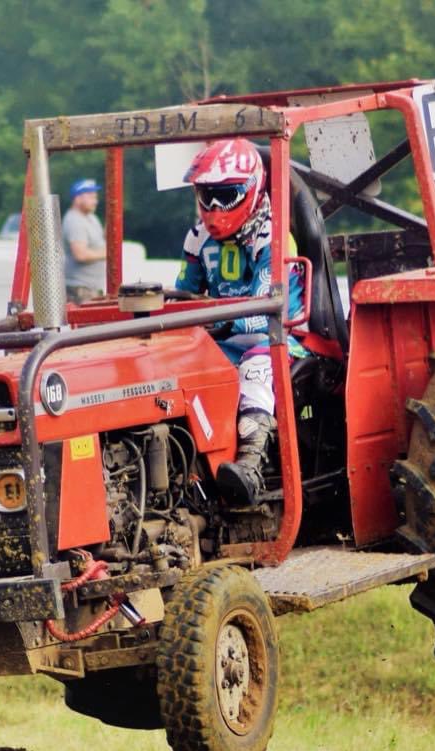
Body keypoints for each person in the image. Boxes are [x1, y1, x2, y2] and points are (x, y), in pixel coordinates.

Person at [175, 137, 306, 505]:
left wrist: (215, 321)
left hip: (280, 337)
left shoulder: (274, 238)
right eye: (206, 195)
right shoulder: (198, 237)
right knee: (184, 370)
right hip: (221, 339)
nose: (214, 208)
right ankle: (190, 469)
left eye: (226, 195)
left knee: (257, 365)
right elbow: (183, 295)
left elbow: (267, 307)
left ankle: (250, 463)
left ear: (251, 189)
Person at [62, 178, 107, 304]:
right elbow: (80, 255)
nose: (96, 201)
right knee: (89, 323)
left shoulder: (92, 218)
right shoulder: (74, 221)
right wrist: (108, 254)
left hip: (92, 288)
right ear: (78, 198)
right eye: (91, 197)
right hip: (80, 290)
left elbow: (99, 242)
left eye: (96, 197)